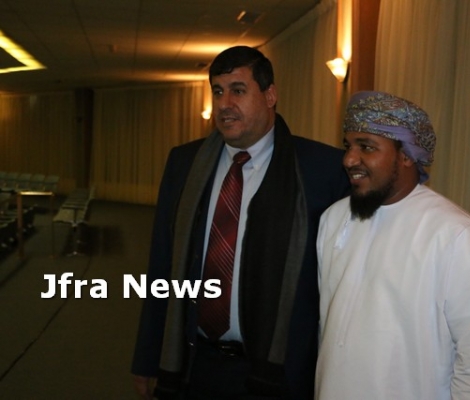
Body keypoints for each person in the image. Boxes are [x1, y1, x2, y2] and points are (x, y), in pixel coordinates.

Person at [131, 46, 349, 399]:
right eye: (218, 91)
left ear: (270, 95)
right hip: (194, 363)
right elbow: (161, 264)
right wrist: (148, 356)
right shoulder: (185, 163)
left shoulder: (322, 170)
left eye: (238, 90)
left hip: (278, 372)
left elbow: (340, 281)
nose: (224, 104)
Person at [315, 91, 470, 399]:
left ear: (406, 156)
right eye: (348, 146)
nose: (349, 159)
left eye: (366, 147)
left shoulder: (457, 234)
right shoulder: (333, 219)